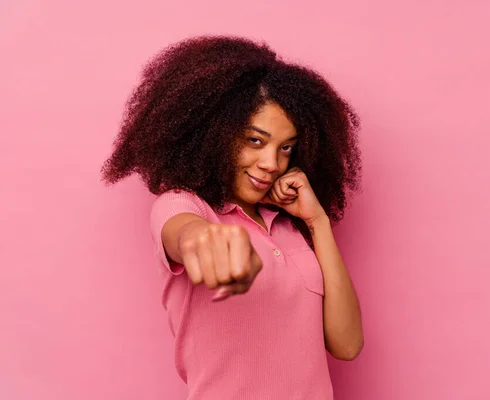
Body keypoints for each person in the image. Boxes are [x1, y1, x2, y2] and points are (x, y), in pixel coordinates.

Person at [101, 35, 363, 399]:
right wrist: (204, 241)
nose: (272, 164)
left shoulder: (288, 226)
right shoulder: (184, 204)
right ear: (215, 134)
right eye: (255, 141)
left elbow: (347, 345)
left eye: (285, 148)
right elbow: (185, 232)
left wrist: (317, 221)